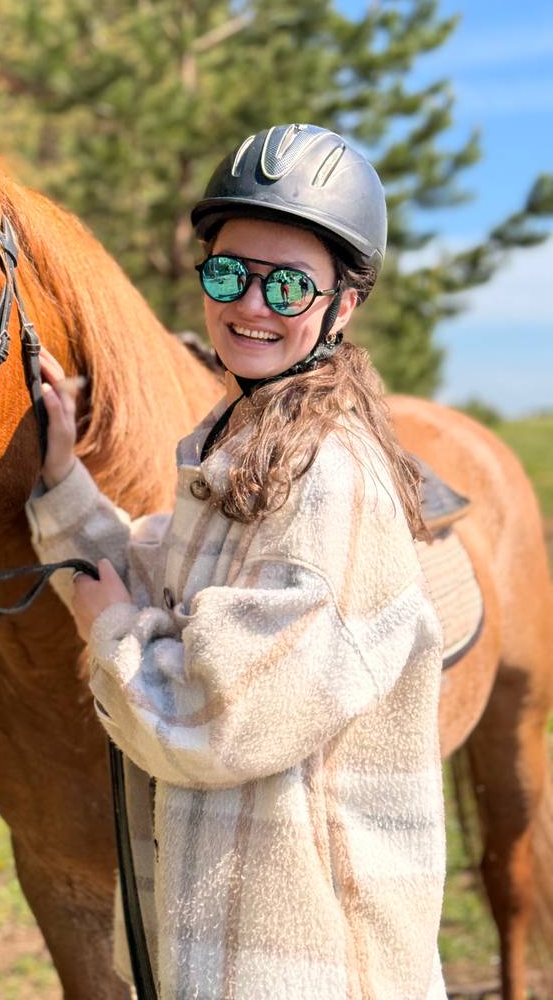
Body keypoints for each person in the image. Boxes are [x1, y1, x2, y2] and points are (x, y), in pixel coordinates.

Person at [25, 124, 447, 1000]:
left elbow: (214, 720)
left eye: (288, 283)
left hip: (308, 970)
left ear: (342, 305)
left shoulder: (330, 475)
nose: (251, 304)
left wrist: (106, 629)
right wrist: (63, 479)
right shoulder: (239, 447)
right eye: (229, 273)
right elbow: (160, 581)